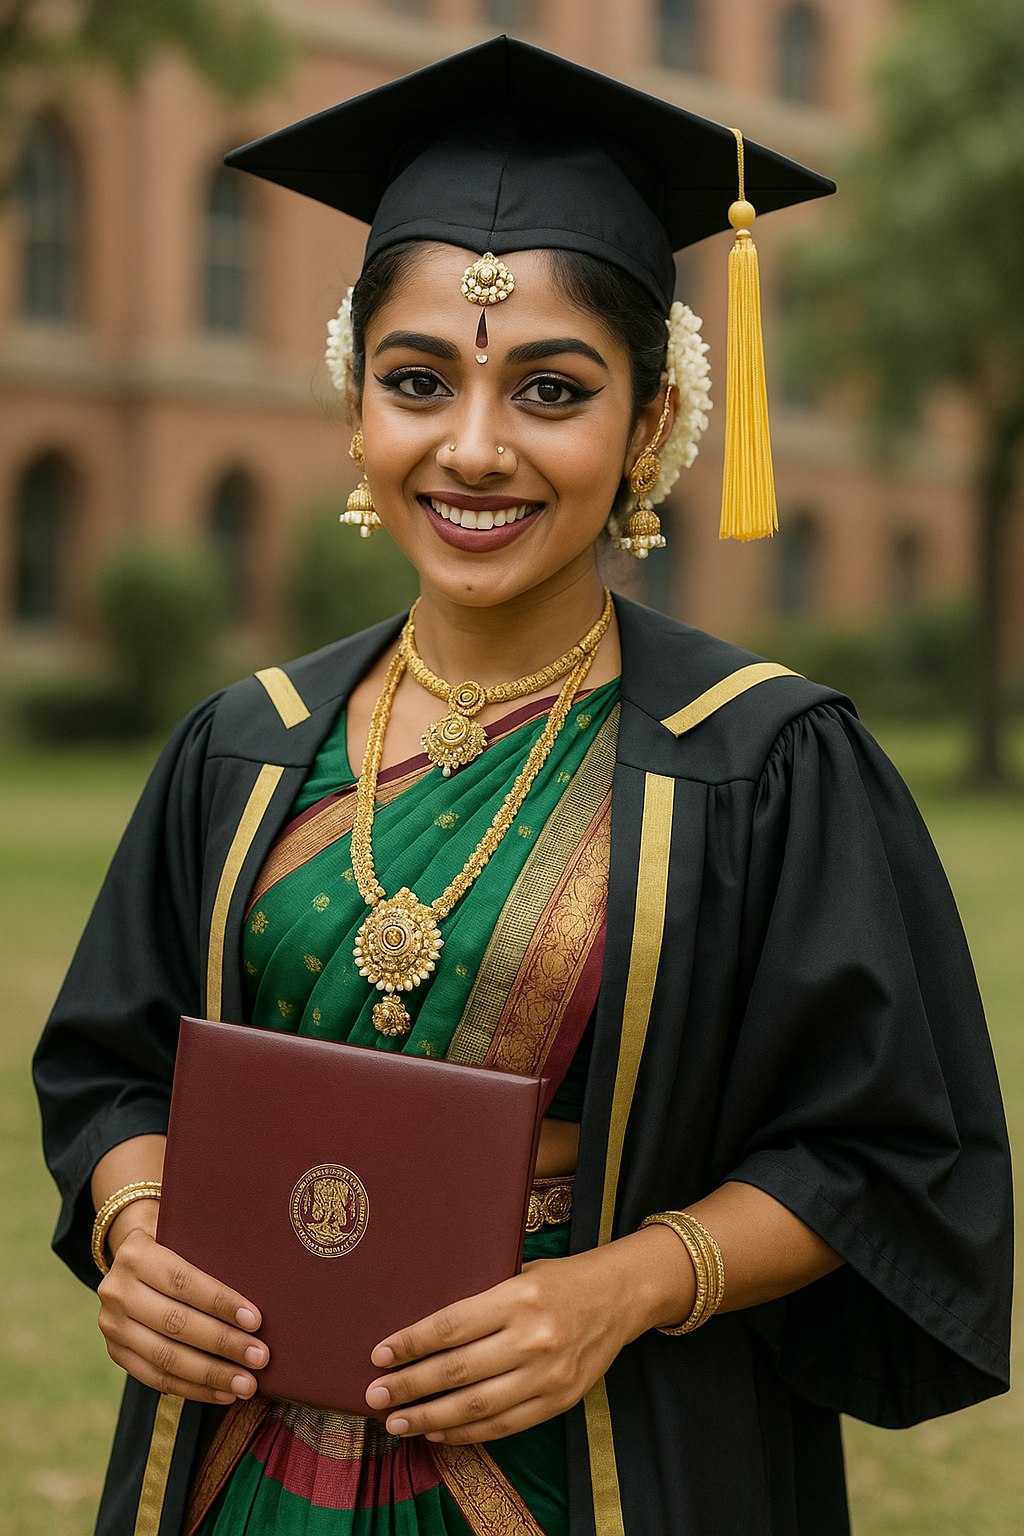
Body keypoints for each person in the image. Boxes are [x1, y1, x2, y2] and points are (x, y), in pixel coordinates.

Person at [33, 36, 1012, 1536]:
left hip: (594, 1462)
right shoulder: (245, 742)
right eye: (417, 381)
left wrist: (620, 1289)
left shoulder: (761, 760)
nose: (474, 449)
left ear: (649, 425)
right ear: (356, 406)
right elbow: (115, 1066)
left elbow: (881, 1150)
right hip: (249, 1469)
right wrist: (140, 1227)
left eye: (552, 390)